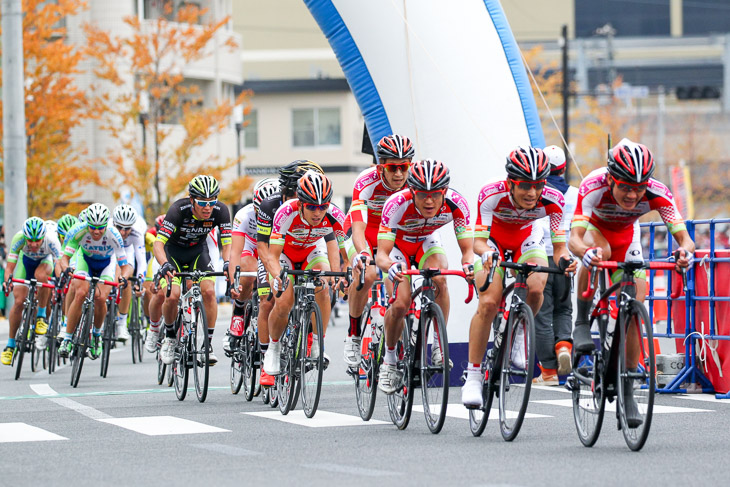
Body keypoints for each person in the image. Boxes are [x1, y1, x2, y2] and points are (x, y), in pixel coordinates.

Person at [570, 138, 694, 426]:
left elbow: (684, 238)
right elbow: (575, 238)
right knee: (601, 253)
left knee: (637, 304)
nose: (632, 195)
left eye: (639, 188)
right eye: (625, 187)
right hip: (595, 231)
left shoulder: (657, 192)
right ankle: (581, 322)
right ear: (611, 179)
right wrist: (585, 254)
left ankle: (626, 389)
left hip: (628, 236)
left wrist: (684, 253)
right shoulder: (593, 185)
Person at [462, 147, 576, 407]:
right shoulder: (491, 193)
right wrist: (488, 254)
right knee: (488, 302)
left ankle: (519, 332)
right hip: (493, 242)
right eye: (525, 186)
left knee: (537, 286)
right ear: (510, 183)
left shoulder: (554, 199)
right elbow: (478, 242)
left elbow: (559, 248)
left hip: (527, 239)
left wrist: (567, 261)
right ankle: (474, 376)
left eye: (538, 185)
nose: (532, 193)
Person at [375, 159, 475, 394]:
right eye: (422, 195)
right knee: (400, 303)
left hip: (427, 242)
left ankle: (439, 345)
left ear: (444, 192)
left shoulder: (456, 203)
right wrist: (390, 266)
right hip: (398, 247)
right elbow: (381, 255)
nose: (429, 201)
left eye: (435, 194)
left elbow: (467, 250)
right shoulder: (396, 203)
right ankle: (389, 362)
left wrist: (469, 266)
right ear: (411, 192)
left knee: (440, 279)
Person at [262, 170, 349, 375]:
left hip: (312, 250)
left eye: (322, 207)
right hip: (286, 254)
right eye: (311, 207)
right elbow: (272, 256)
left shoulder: (335, 215)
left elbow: (345, 254)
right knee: (283, 301)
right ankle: (273, 348)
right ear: (300, 204)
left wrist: (342, 273)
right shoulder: (285, 212)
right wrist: (278, 277)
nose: (317, 213)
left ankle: (318, 344)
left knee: (323, 286)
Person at [255, 160, 326, 385]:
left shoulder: (317, 207)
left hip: (307, 250)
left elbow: (332, 240)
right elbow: (263, 247)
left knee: (320, 284)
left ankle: (310, 337)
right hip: (273, 254)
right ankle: (268, 353)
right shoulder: (271, 206)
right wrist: (274, 275)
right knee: (270, 301)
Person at [345, 134, 414, 367]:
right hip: (362, 231)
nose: (398, 174)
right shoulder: (365, 182)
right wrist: (363, 253)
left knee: (396, 284)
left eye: (404, 168)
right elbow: (358, 227)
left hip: (391, 235)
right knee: (368, 274)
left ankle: (394, 342)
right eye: (392, 168)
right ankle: (353, 335)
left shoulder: (416, 181)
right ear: (380, 166)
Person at [157, 175, 231, 366]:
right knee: (172, 296)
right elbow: (158, 244)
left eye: (212, 202)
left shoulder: (221, 211)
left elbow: (227, 243)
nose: (208, 207)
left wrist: (228, 263)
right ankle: (170, 338)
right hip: (172, 253)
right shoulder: (177, 210)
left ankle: (207, 344)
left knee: (208, 292)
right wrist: (165, 264)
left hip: (197, 252)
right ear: (191, 200)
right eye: (202, 202)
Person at [59, 204, 132, 359]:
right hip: (85, 261)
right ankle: (67, 338)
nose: (96, 231)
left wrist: (124, 277)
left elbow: (124, 265)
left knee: (100, 298)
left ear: (107, 224)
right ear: (87, 224)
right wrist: (66, 268)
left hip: (106, 264)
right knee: (80, 293)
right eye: (92, 227)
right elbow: (64, 258)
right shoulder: (78, 231)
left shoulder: (114, 235)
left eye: (100, 227)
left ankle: (97, 335)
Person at [532, 145, 578, 385]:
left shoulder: (535, 192)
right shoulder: (576, 194)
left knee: (542, 314)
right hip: (566, 258)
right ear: (563, 169)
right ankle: (563, 345)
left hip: (539, 255)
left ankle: (548, 370)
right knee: (564, 309)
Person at [225, 177, 279, 354]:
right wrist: (234, 282)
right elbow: (235, 252)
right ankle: (239, 312)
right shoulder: (244, 215)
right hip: (251, 247)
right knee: (248, 270)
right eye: (258, 210)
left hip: (272, 247)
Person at [1, 217, 63, 365]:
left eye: (37, 240)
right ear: (25, 237)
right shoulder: (19, 238)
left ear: (43, 236)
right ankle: (10, 345)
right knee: (18, 302)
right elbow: (10, 267)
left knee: (41, 276)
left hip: (44, 262)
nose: (34, 244)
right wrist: (7, 281)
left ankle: (41, 316)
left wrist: (60, 282)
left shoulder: (52, 240)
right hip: (25, 263)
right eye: (30, 241)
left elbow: (59, 265)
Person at [111, 204, 147, 342]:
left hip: (127, 255)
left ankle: (122, 324)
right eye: (119, 227)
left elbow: (141, 260)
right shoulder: (107, 228)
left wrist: (140, 280)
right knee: (113, 271)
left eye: (127, 228)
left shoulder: (136, 233)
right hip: (110, 254)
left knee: (126, 280)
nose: (123, 232)